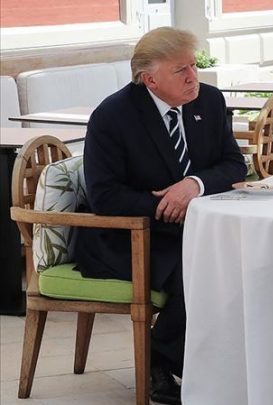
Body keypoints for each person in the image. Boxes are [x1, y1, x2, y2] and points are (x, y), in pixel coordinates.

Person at [75, 27, 246, 404]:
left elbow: (234, 164)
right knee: (203, 265)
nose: (192, 76)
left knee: (243, 256)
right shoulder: (113, 116)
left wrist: (194, 185)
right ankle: (165, 361)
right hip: (126, 235)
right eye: (180, 70)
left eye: (194, 65)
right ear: (149, 80)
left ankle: (190, 358)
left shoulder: (209, 101)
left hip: (193, 229)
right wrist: (167, 206)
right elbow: (105, 196)